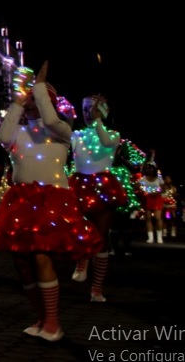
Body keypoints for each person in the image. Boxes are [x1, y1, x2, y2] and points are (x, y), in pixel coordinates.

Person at [0, 62, 102, 342]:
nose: (29, 102)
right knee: (21, 262)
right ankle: (41, 318)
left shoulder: (60, 130)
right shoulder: (18, 131)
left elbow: (49, 119)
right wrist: (15, 103)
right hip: (21, 201)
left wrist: (39, 85)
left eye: (35, 99)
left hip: (52, 200)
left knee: (40, 256)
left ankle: (53, 323)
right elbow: (2, 136)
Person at [68, 94, 124, 302]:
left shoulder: (113, 134)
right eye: (85, 110)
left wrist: (98, 119)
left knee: (101, 237)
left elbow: (107, 141)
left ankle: (97, 289)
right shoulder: (76, 135)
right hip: (80, 184)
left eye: (93, 109)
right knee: (79, 229)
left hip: (103, 187)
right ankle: (81, 262)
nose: (88, 114)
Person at [138, 153, 165, 244]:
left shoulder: (159, 178)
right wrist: (143, 191)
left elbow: (163, 189)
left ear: (154, 169)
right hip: (147, 198)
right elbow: (136, 187)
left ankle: (159, 237)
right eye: (148, 168)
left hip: (157, 198)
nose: (149, 169)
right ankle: (150, 237)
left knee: (158, 218)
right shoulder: (143, 179)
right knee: (148, 218)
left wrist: (157, 192)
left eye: (151, 168)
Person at [162, 174, 178, 238]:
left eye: (169, 179)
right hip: (164, 204)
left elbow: (175, 195)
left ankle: (173, 230)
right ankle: (164, 231)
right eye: (166, 179)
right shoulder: (162, 187)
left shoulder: (173, 188)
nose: (167, 180)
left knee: (173, 218)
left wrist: (174, 195)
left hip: (172, 204)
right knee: (163, 218)